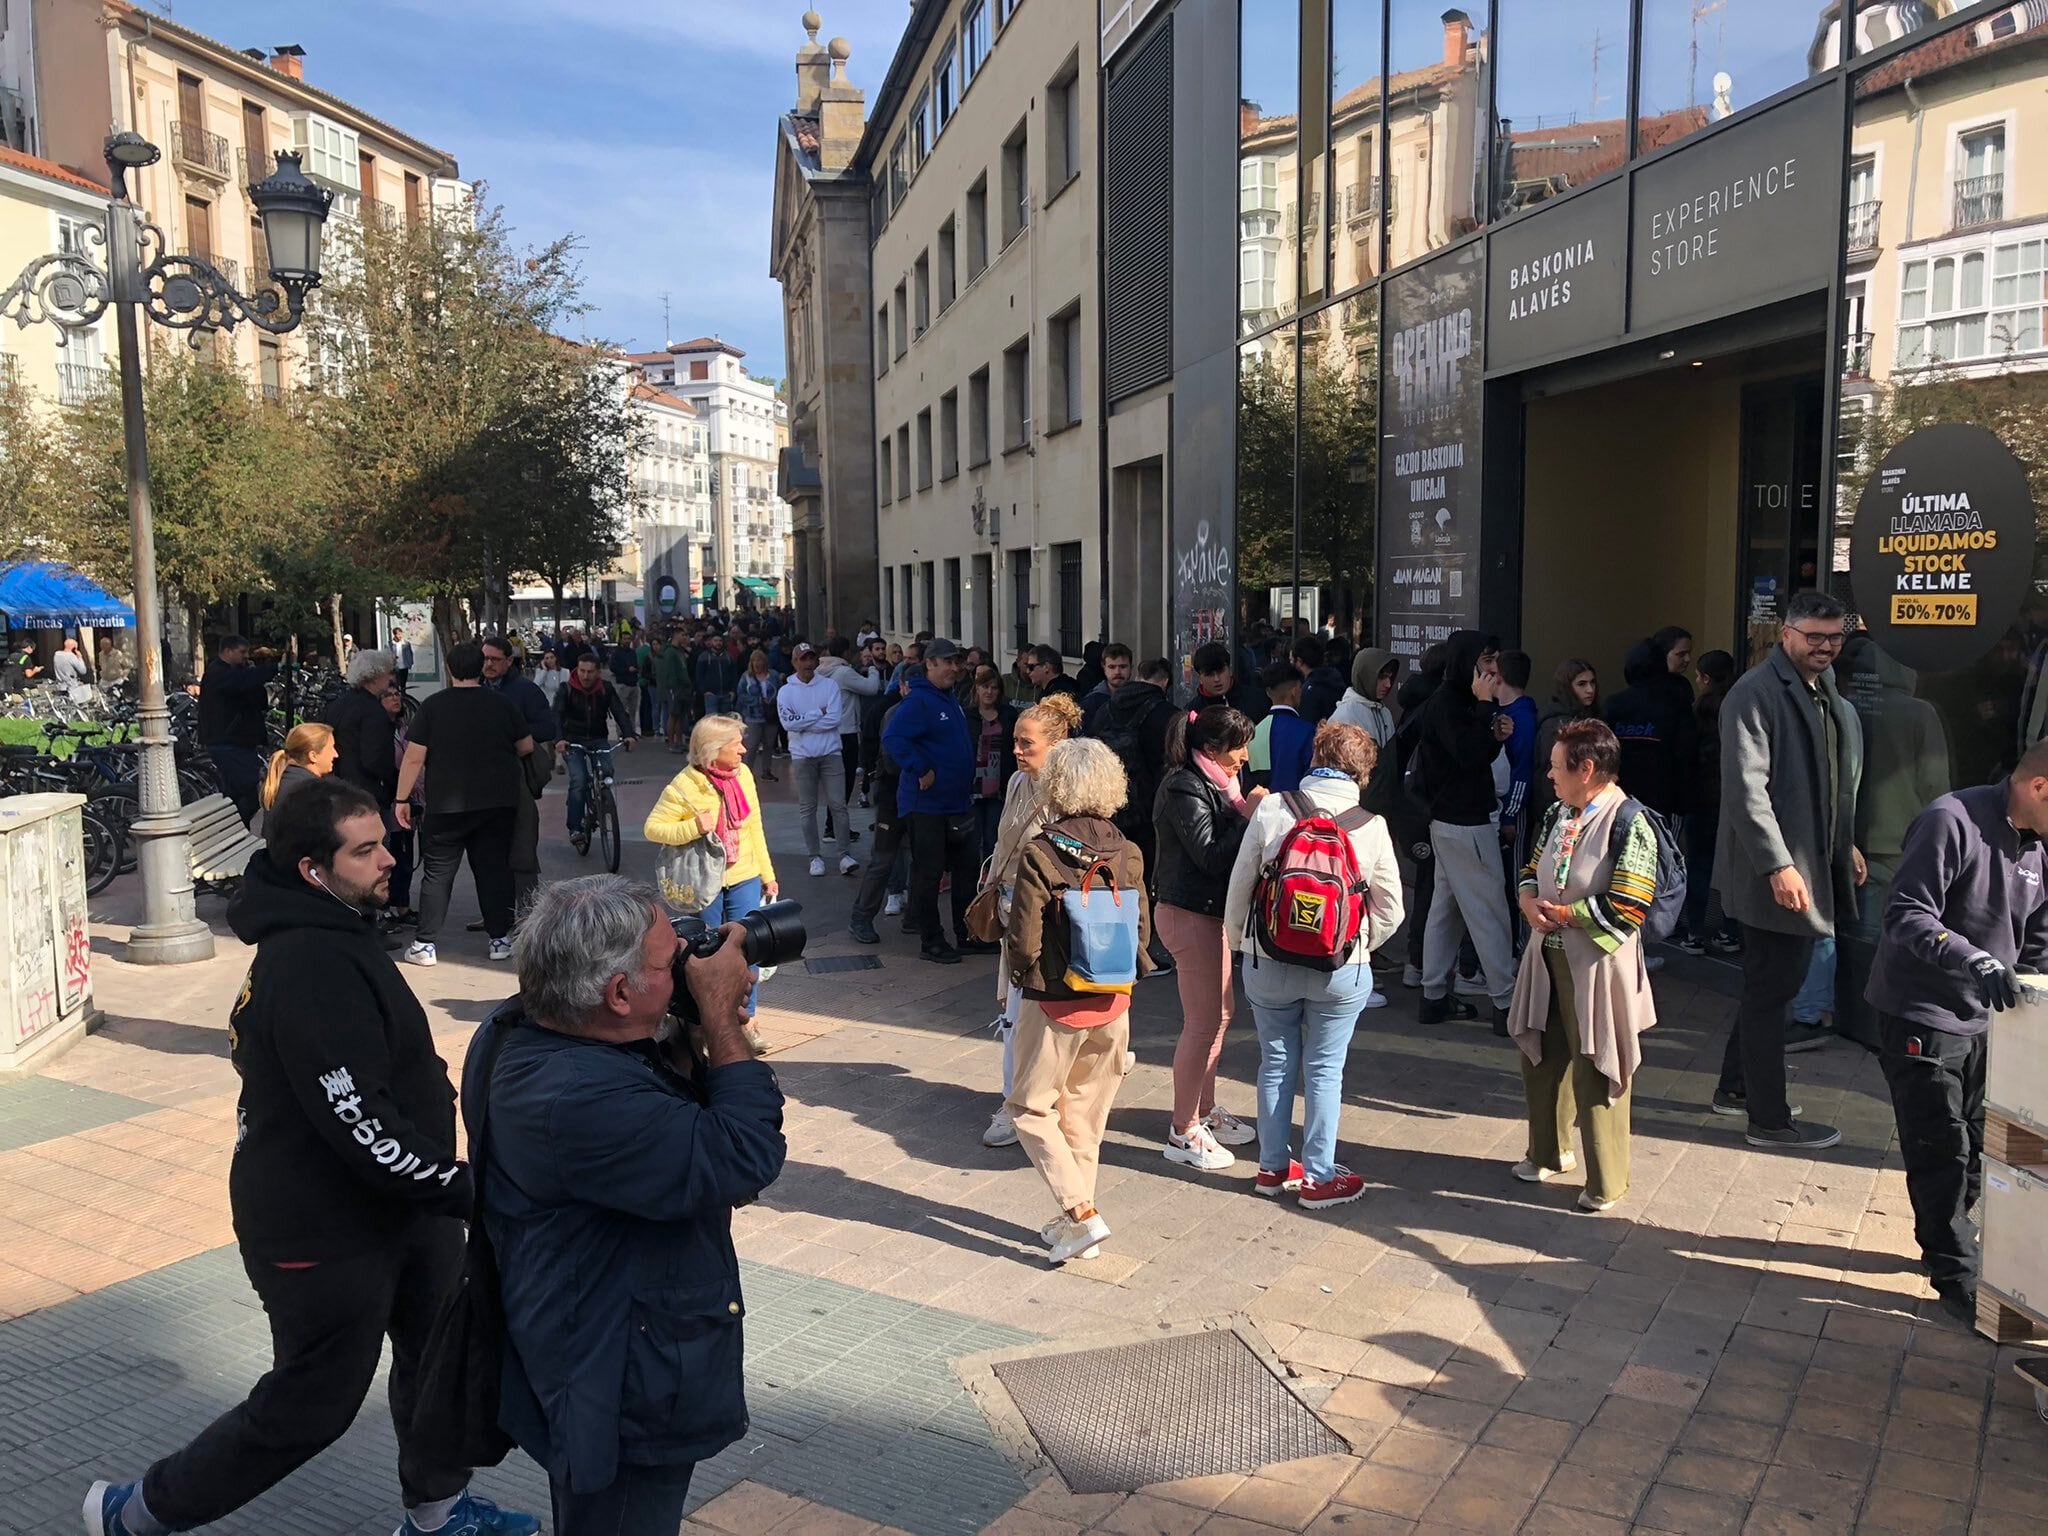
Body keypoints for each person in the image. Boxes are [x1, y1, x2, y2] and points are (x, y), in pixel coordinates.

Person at [84, 779, 538, 1536]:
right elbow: (357, 1119)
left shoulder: (338, 934)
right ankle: (136, 1513)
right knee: (312, 1403)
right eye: (365, 851)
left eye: (383, 842)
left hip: (402, 1212)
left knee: (436, 1369)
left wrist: (439, 1193)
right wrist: (465, 1188)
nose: (389, 859)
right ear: (312, 871)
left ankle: (438, 1516)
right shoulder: (308, 966)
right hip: (321, 1230)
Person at [467, 876, 783, 1534]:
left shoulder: (523, 1027)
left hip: (590, 1336)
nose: (693, 969)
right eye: (673, 963)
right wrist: (721, 1017)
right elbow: (742, 1157)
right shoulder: (578, 1096)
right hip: (620, 1381)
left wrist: (683, 1025)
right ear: (616, 993)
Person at [1865, 741, 2048, 1325]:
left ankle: (1955, 1241)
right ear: (2040, 788)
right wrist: (1973, 960)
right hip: (1923, 1011)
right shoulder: (1952, 820)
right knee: (1942, 1146)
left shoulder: (2039, 848)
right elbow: (1907, 913)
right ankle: (1956, 1273)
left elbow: (2038, 935)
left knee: (1979, 1145)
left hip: (1989, 1020)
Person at [1223, 723, 1404, 1209]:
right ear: (1363, 771)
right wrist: (1358, 945)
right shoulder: (1372, 825)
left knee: (1275, 1062)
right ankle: (1320, 1177)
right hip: (1341, 969)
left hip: (1269, 961)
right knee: (1325, 1069)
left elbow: (1240, 888)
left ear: (1314, 757)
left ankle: (1271, 1167)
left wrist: (1243, 945)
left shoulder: (1273, 808)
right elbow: (1391, 909)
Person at [1713, 590, 1865, 1152]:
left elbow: (1824, 782)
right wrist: (1778, 864)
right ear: (1786, 634)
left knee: (1768, 985)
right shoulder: (1754, 693)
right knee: (1772, 991)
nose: (1825, 647)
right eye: (1814, 637)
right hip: (1772, 874)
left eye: (1834, 637)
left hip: (1807, 864)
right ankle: (1769, 1121)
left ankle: (1734, 1088)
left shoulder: (1822, 690)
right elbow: (1747, 791)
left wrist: (1841, 845)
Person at [1004, 738, 1153, 1263]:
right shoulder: (1128, 849)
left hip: (1054, 999)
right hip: (1114, 997)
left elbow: (1024, 937)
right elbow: (1141, 926)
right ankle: (1077, 1223)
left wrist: (1022, 981)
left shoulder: (1041, 851)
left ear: (1056, 785)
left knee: (1028, 1106)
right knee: (1085, 1116)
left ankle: (1081, 1215)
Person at [1507, 719, 1660, 1213]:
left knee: (1597, 1065)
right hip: (1547, 956)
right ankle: (1548, 1153)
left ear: (1587, 769)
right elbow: (1533, 868)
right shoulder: (1559, 811)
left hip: (1597, 966)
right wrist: (1529, 900)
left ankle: (1606, 1181)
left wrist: (1570, 914)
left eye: (1556, 767)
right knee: (1541, 1058)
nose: (1550, 775)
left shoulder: (1630, 821)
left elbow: (1632, 903)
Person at [1154, 706, 1263, 1173]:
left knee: (1220, 1016)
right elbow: (1210, 856)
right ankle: (1183, 1130)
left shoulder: (1220, 785)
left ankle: (1205, 1110)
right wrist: (1247, 818)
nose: (1245, 757)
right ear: (1211, 750)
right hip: (1187, 913)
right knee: (1203, 1022)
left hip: (1207, 914)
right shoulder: (1184, 786)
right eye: (1237, 749)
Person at [976, 693, 1084, 1145]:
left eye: (1027, 743)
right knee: (1016, 1012)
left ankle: (1025, 1102)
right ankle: (1017, 1099)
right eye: (1017, 741)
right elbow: (1005, 841)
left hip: (1047, 916)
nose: (1017, 750)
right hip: (1012, 907)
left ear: (1055, 746)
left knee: (1036, 1013)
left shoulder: (1069, 794)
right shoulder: (1020, 782)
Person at [396, 642, 536, 967]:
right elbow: (526, 745)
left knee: (437, 874)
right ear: (481, 667)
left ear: (449, 669)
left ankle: (425, 944)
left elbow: (414, 756)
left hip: (445, 806)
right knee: (493, 870)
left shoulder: (433, 707)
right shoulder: (501, 704)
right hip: (497, 802)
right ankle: (499, 940)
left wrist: (401, 799)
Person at [645, 715, 779, 1046]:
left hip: (744, 875)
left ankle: (746, 1021)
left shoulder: (744, 775)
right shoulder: (685, 785)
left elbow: (754, 827)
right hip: (704, 884)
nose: (744, 751)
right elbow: (653, 828)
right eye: (736, 745)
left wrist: (768, 874)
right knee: (704, 953)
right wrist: (693, 827)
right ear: (712, 749)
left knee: (749, 949)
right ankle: (703, 1023)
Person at [1415, 632, 1517, 1030]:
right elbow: (1469, 754)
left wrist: (1492, 731)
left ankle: (1433, 994)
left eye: (1495, 660)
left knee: (1447, 910)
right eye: (1486, 660)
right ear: (1466, 663)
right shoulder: (1452, 703)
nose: (1493, 670)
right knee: (1489, 911)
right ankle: (1506, 1004)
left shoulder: (1453, 700)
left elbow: (1472, 755)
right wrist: (1485, 711)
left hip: (1450, 820)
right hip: (1466, 822)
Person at [885, 638, 988, 964]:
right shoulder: (919, 701)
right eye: (947, 662)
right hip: (926, 806)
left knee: (966, 870)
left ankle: (967, 934)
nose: (955, 668)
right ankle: (931, 940)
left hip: (956, 802)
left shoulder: (949, 698)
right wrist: (921, 768)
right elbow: (893, 738)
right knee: (929, 874)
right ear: (930, 665)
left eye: (957, 662)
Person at [847, 666, 929, 947]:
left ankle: (914, 916)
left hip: (918, 798)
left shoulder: (925, 711)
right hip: (893, 798)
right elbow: (891, 759)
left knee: (921, 858)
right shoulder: (894, 713)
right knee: (883, 861)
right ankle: (861, 917)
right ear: (903, 687)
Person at [482, 634, 559, 916]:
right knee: (490, 850)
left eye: (495, 659)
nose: (488, 665)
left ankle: (527, 914)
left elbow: (546, 728)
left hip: (516, 779)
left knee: (522, 846)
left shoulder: (524, 691)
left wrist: (513, 735)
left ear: (509, 661)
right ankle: (496, 912)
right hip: (482, 780)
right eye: (485, 659)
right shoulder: (476, 688)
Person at [1677, 650, 1740, 956]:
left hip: (1701, 798)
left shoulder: (1697, 712)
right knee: (1731, 869)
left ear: (1704, 678)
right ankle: (1730, 932)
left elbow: (1687, 756)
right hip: (1732, 800)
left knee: (1698, 866)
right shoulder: (1741, 708)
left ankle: (1695, 933)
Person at [777, 643, 856, 877]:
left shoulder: (829, 686)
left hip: (830, 753)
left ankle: (845, 855)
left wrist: (805, 721)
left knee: (838, 805)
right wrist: (816, 713)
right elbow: (788, 723)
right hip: (803, 756)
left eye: (811, 659)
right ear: (795, 662)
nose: (808, 664)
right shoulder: (786, 691)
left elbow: (833, 719)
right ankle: (815, 856)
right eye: (803, 659)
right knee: (807, 808)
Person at [1603, 639, 1696, 821]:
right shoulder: (1675, 705)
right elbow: (1686, 754)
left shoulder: (1613, 704)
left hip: (1619, 797)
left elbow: (1602, 754)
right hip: (1662, 799)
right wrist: (1684, 802)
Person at [553, 653, 637, 852]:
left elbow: (619, 712)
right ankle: (575, 827)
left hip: (598, 738)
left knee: (607, 770)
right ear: (577, 669)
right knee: (579, 780)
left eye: (590, 672)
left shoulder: (605, 689)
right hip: (573, 741)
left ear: (598, 672)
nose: (585, 675)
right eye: (582, 670)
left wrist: (629, 735)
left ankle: (600, 802)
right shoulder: (567, 689)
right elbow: (556, 714)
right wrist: (559, 739)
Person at [197, 635, 278, 826]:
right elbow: (242, 681)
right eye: (242, 652)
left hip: (240, 741)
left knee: (239, 790)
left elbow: (256, 698)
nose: (245, 657)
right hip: (228, 742)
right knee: (245, 790)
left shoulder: (237, 673)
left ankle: (237, 829)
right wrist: (271, 670)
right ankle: (240, 829)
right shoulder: (218, 674)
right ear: (228, 651)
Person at [1528, 660, 1599, 862]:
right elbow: (1550, 773)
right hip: (1560, 812)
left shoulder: (1584, 719)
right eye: (1582, 684)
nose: (1590, 689)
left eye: (1592, 683)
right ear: (1567, 687)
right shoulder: (1557, 725)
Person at [818, 637, 881, 811]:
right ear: (846, 652)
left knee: (836, 780)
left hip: (830, 730)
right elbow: (871, 688)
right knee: (846, 781)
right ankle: (834, 827)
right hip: (847, 731)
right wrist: (873, 669)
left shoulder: (822, 671)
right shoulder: (844, 673)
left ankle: (832, 826)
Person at [968, 667, 1019, 860]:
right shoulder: (967, 716)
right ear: (977, 689)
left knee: (994, 839)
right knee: (972, 840)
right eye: (985, 687)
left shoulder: (1008, 715)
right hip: (973, 786)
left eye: (994, 688)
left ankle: (991, 881)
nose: (989, 692)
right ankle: (971, 881)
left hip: (998, 787)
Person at [256, 722, 336, 831]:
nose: (336, 754)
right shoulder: (309, 792)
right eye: (331, 748)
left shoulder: (285, 779)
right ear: (313, 756)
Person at [1250, 662, 1313, 793]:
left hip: (1260, 809)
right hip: (1298, 808)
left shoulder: (1254, 733)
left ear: (1268, 693)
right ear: (1295, 691)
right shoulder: (1308, 732)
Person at [1191, 641, 1267, 721]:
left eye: (1221, 672)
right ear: (1200, 678)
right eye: (1210, 674)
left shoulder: (1258, 700)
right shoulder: (1193, 712)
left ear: (1230, 670)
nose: (1217, 679)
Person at [737, 649, 781, 781]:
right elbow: (741, 694)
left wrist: (772, 701)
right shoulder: (746, 677)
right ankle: (746, 772)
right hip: (753, 716)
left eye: (760, 660)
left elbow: (780, 691)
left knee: (769, 744)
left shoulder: (773, 675)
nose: (757, 663)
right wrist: (756, 701)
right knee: (751, 746)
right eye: (755, 660)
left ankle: (766, 770)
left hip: (770, 715)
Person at [1078, 643, 1132, 735]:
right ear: (1104, 668)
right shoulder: (1091, 703)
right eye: (1112, 667)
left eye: (1123, 666)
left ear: (1131, 668)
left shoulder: (1140, 699)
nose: (1117, 672)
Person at [1292, 636, 1346, 725]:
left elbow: (1306, 724)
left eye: (1292, 660)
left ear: (1299, 661)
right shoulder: (1335, 679)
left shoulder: (1308, 690)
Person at [656, 628, 692, 751]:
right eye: (683, 635)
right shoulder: (670, 652)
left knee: (681, 715)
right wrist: (673, 686)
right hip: (674, 687)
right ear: (676, 635)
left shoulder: (680, 651)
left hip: (683, 687)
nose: (685, 637)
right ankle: (671, 742)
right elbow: (670, 671)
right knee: (673, 714)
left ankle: (679, 741)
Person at [694, 632, 738, 720]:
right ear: (711, 642)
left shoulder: (729, 657)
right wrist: (704, 691)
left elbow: (734, 675)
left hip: (726, 695)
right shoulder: (704, 657)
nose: (718, 643)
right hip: (711, 695)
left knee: (725, 722)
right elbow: (699, 676)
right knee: (712, 722)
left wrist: (733, 690)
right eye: (716, 640)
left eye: (720, 640)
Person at [607, 634, 641, 730]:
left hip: (634, 684)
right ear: (621, 640)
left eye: (628, 639)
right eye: (625, 639)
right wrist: (626, 669)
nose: (627, 641)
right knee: (621, 711)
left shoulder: (632, 652)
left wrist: (636, 669)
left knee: (633, 712)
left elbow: (637, 664)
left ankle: (632, 731)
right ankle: (621, 732)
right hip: (623, 684)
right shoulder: (616, 653)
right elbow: (613, 667)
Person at [390, 625, 414, 694]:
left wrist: (410, 663)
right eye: (398, 634)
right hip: (396, 666)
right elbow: (389, 653)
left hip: (404, 666)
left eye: (401, 634)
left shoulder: (406, 644)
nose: (400, 636)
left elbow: (410, 653)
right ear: (395, 635)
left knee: (403, 683)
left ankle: (404, 696)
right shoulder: (391, 644)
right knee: (396, 682)